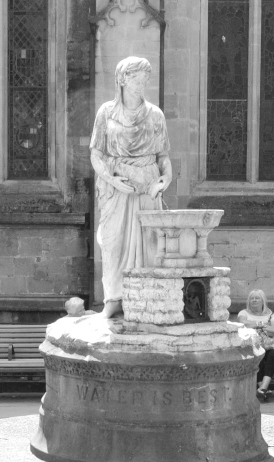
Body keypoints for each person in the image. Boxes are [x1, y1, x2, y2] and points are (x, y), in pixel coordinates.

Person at [90, 56, 173, 319]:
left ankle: (145, 298)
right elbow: (96, 154)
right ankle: (114, 298)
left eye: (144, 80)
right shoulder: (106, 113)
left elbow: (163, 158)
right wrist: (111, 179)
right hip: (115, 188)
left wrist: (166, 179)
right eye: (137, 80)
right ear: (122, 80)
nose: (142, 85)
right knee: (112, 243)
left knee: (148, 244)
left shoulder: (155, 115)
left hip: (147, 185)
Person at [237, 289, 274, 402]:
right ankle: (263, 390)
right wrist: (262, 324)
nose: (254, 300)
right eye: (252, 298)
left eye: (257, 298)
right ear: (248, 301)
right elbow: (243, 324)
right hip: (251, 345)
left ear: (263, 301)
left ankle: (262, 388)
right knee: (256, 354)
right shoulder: (243, 313)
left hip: (268, 345)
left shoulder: (271, 314)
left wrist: (254, 326)